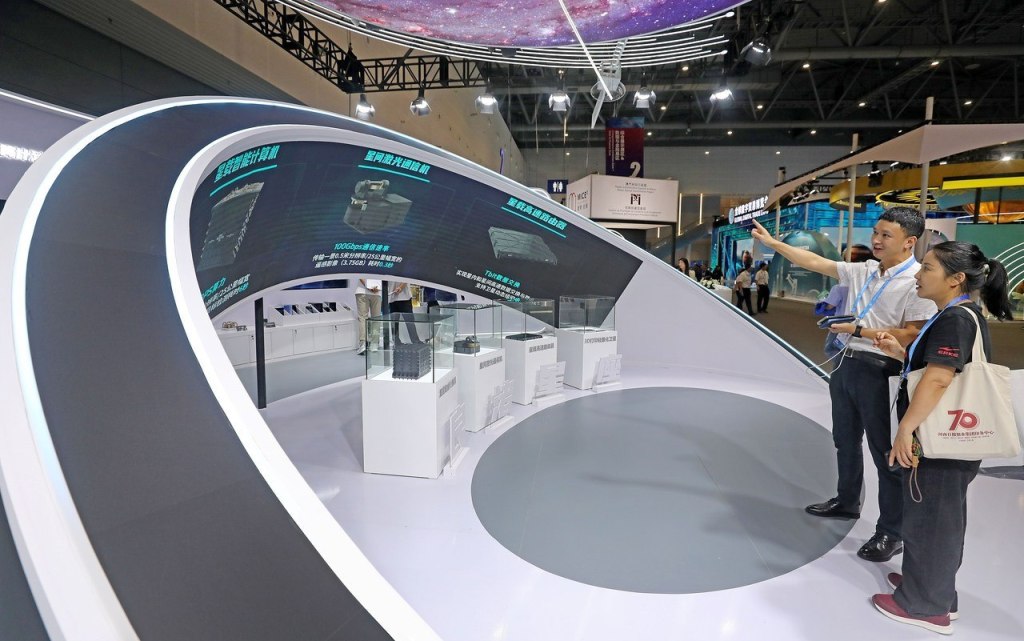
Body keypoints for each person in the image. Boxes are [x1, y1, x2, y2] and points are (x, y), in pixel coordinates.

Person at [751, 207, 936, 563]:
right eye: (876, 232)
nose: (876, 240)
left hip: (882, 370)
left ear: (909, 241)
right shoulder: (864, 269)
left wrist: (859, 331)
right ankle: (847, 500)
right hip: (846, 363)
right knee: (844, 440)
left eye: (886, 235)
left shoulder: (916, 282)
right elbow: (815, 262)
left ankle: (891, 531)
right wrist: (774, 244)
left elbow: (913, 333)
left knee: (886, 453)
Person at [869, 242, 1013, 634]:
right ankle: (932, 588)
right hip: (947, 437)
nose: (918, 275)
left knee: (931, 519)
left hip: (939, 440)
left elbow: (938, 378)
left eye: (927, 268)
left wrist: (905, 428)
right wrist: (901, 352)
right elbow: (933, 367)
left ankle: (925, 606)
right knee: (935, 515)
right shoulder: (953, 315)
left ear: (956, 278)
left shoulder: (955, 319)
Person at [354, 278, 382, 355]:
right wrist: (374, 287)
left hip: (362, 291)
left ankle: (363, 344)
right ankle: (374, 344)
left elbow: (360, 275)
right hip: (376, 292)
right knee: (376, 319)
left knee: (363, 318)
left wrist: (368, 286)